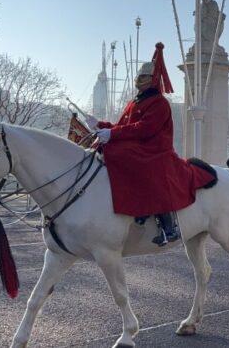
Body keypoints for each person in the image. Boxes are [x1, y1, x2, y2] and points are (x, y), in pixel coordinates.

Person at [86, 42, 216, 246]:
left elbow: (145, 128)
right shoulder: (134, 101)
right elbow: (123, 126)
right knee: (108, 149)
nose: (138, 80)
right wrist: (100, 125)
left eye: (143, 77)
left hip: (155, 149)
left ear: (153, 79)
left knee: (143, 166)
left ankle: (169, 226)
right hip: (139, 145)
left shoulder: (159, 103)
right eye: (138, 77)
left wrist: (112, 133)